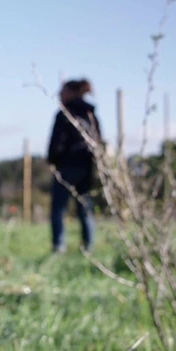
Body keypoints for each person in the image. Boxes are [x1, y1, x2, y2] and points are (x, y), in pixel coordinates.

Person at [46, 79, 103, 253]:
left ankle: (59, 246)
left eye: (62, 91)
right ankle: (88, 246)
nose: (60, 94)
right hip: (87, 167)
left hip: (66, 166)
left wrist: (52, 160)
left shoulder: (65, 114)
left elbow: (57, 142)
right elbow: (98, 142)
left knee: (58, 208)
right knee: (85, 207)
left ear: (71, 92)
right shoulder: (90, 114)